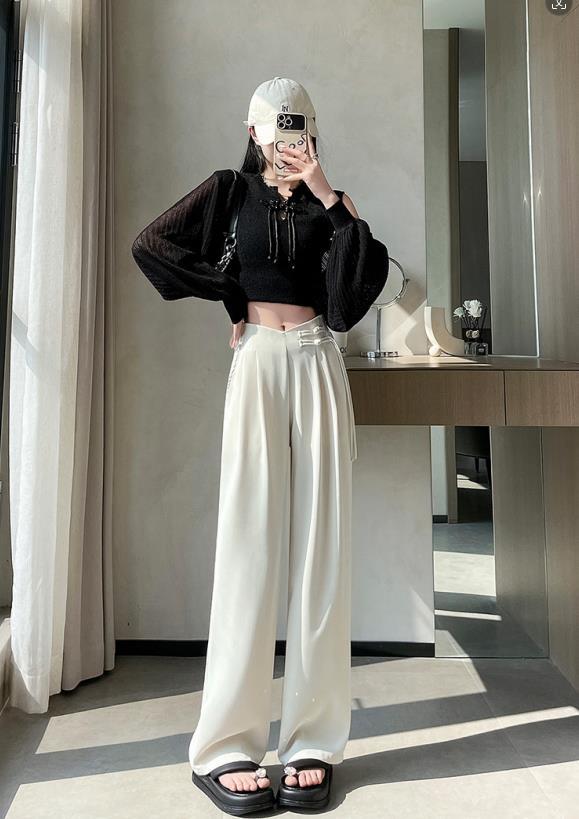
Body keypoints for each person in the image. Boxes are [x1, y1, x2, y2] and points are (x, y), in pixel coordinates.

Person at [131, 77, 389, 815]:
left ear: (312, 132)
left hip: (316, 362)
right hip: (257, 367)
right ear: (254, 133)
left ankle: (314, 742)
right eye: (276, 135)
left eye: (298, 133)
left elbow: (348, 303)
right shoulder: (228, 192)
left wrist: (327, 193)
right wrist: (228, 293)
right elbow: (151, 245)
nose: (287, 147)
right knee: (247, 545)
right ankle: (225, 745)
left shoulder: (334, 209)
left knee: (320, 551)